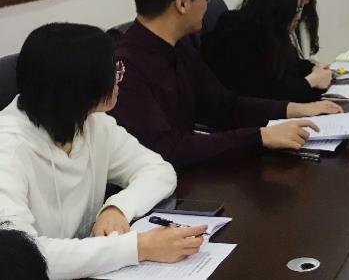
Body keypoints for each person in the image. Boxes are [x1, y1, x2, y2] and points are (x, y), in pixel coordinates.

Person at [0, 24, 206, 280]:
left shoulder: (93, 124)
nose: (119, 76)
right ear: (79, 85)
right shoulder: (7, 149)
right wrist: (139, 248)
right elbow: (23, 258)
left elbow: (159, 170)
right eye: (112, 69)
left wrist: (117, 208)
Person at [111, 0, 341, 170]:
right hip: (163, 181)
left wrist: (294, 109)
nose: (207, 3)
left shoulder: (179, 47)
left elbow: (223, 105)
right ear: (182, 3)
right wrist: (260, 137)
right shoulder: (127, 67)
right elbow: (169, 149)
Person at [203, 0, 332, 102]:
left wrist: (314, 69)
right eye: (297, 9)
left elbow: (292, 64)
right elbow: (266, 92)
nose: (299, 16)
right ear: (279, 9)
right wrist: (311, 80)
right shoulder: (238, 37)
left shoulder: (273, 31)